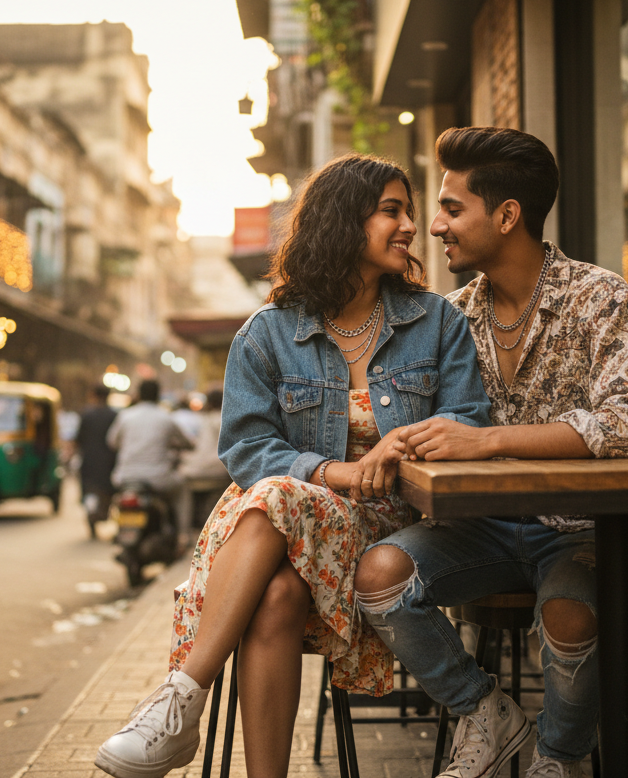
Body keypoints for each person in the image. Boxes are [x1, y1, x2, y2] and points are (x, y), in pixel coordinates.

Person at [94, 154, 491, 778]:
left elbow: (467, 420)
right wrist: (340, 473)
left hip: (387, 531)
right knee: (277, 592)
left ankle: (180, 699)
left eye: (409, 211)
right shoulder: (267, 333)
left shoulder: (437, 321)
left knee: (276, 496)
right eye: (391, 211)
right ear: (343, 221)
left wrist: (400, 444)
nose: (412, 226)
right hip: (277, 528)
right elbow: (247, 448)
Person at [353, 127, 628, 778]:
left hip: (588, 529)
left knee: (570, 614)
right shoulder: (447, 318)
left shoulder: (599, 296)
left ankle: (558, 759)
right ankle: (486, 713)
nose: (434, 226)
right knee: (379, 575)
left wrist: (489, 439)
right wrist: (396, 435)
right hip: (480, 529)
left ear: (507, 215)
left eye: (451, 208)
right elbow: (418, 417)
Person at [106, 379, 193, 500]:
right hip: (158, 478)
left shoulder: (125, 416)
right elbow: (187, 442)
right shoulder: (166, 417)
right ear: (158, 395)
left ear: (139, 395)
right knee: (182, 486)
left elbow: (112, 442)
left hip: (125, 476)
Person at [177, 387, 230, 530]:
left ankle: (184, 531)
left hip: (196, 469)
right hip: (215, 469)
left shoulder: (204, 419)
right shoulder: (224, 419)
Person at [75, 384, 119, 538]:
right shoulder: (114, 415)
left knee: (90, 491)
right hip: (109, 462)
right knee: (107, 492)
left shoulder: (86, 415)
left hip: (89, 462)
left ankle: (93, 516)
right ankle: (101, 514)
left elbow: (78, 439)